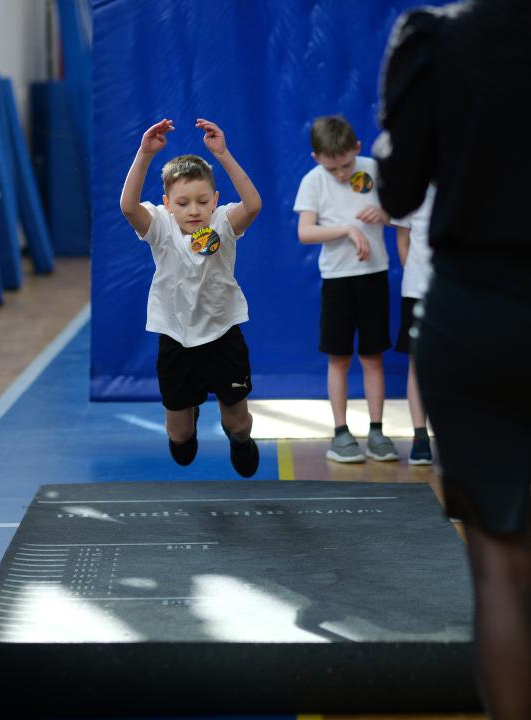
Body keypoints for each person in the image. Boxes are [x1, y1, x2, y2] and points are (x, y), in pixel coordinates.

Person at [374, 1, 531, 718]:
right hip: (478, 311)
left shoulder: (439, 40)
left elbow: (400, 189)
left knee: (499, 566)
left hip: (476, 315)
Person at [120, 118, 262, 478]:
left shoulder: (224, 222)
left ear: (215, 200)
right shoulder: (159, 225)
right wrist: (144, 154)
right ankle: (190, 414)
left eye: (202, 201)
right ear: (168, 204)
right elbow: (128, 206)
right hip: (177, 338)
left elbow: (253, 204)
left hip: (222, 335)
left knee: (238, 424)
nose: (194, 210)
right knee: (180, 441)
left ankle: (240, 440)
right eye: (183, 203)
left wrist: (223, 154)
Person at [294, 114, 399, 464]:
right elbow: (305, 232)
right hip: (337, 279)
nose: (340, 174)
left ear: (357, 148)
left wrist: (383, 214)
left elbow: (399, 215)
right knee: (338, 358)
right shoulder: (313, 181)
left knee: (372, 357)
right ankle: (340, 433)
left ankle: (377, 431)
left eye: (346, 165)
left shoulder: (373, 169)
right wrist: (347, 230)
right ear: (316, 158)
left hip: (374, 274)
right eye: (332, 168)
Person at [392, 184, 435, 465]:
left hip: (458, 293)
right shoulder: (415, 186)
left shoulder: (468, 186)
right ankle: (420, 437)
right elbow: (403, 239)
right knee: (417, 363)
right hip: (418, 291)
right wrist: (417, 276)